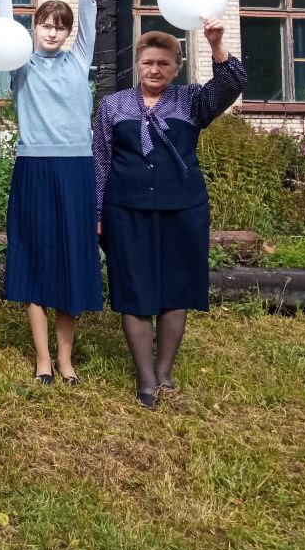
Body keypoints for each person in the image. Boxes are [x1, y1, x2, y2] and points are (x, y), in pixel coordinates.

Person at [94, 23, 246, 408]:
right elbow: (100, 161)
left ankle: (165, 372)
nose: (155, 69)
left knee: (176, 290)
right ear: (138, 65)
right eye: (148, 62)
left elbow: (232, 82)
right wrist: (97, 212)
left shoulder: (191, 101)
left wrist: (216, 44)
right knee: (133, 291)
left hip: (182, 211)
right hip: (125, 211)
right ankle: (146, 379)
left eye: (164, 63)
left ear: (176, 68)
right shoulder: (113, 106)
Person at [0, 0, 106, 385]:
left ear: (69, 33)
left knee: (73, 259)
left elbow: (87, 3)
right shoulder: (19, 58)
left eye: (60, 26)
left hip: (76, 168)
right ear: (34, 26)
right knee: (38, 257)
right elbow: (1, 14)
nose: (52, 32)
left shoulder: (80, 59)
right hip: (34, 167)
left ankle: (65, 358)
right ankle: (42, 360)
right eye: (44, 24)